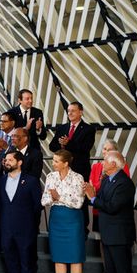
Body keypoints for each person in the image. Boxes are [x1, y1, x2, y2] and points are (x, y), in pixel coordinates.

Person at [84, 151, 136, 273]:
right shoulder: (107, 179)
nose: (102, 163)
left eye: (105, 161)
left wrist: (92, 198)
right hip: (108, 234)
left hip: (120, 236)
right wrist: (93, 195)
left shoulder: (124, 184)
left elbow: (113, 206)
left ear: (114, 164)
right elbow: (102, 199)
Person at [41, 149, 86, 273]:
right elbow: (44, 200)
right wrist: (52, 197)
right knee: (59, 259)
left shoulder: (77, 178)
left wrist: (59, 197)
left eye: (56, 161)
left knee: (75, 259)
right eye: (53, 161)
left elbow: (78, 202)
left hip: (73, 220)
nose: (53, 164)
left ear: (66, 163)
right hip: (56, 218)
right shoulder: (50, 177)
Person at [0, 151, 42, 273]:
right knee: (11, 261)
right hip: (6, 229)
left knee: (26, 262)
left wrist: (31, 226)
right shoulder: (1, 180)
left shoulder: (31, 181)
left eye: (10, 160)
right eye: (5, 160)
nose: (6, 162)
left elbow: (37, 207)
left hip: (26, 229)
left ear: (20, 162)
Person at [49, 101, 96, 237]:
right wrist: (61, 144)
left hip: (79, 170)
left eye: (73, 111)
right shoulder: (62, 128)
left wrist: (68, 144)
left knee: (80, 199)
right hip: (62, 172)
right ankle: (64, 225)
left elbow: (85, 149)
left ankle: (82, 229)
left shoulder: (88, 129)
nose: (70, 113)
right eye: (68, 111)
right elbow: (52, 146)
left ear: (80, 112)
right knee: (62, 196)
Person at [89, 139, 130, 273]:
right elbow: (92, 188)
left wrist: (95, 190)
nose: (104, 152)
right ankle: (107, 271)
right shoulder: (96, 167)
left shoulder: (121, 169)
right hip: (99, 211)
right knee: (102, 241)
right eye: (104, 149)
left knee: (116, 247)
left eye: (108, 149)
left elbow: (116, 195)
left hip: (114, 215)